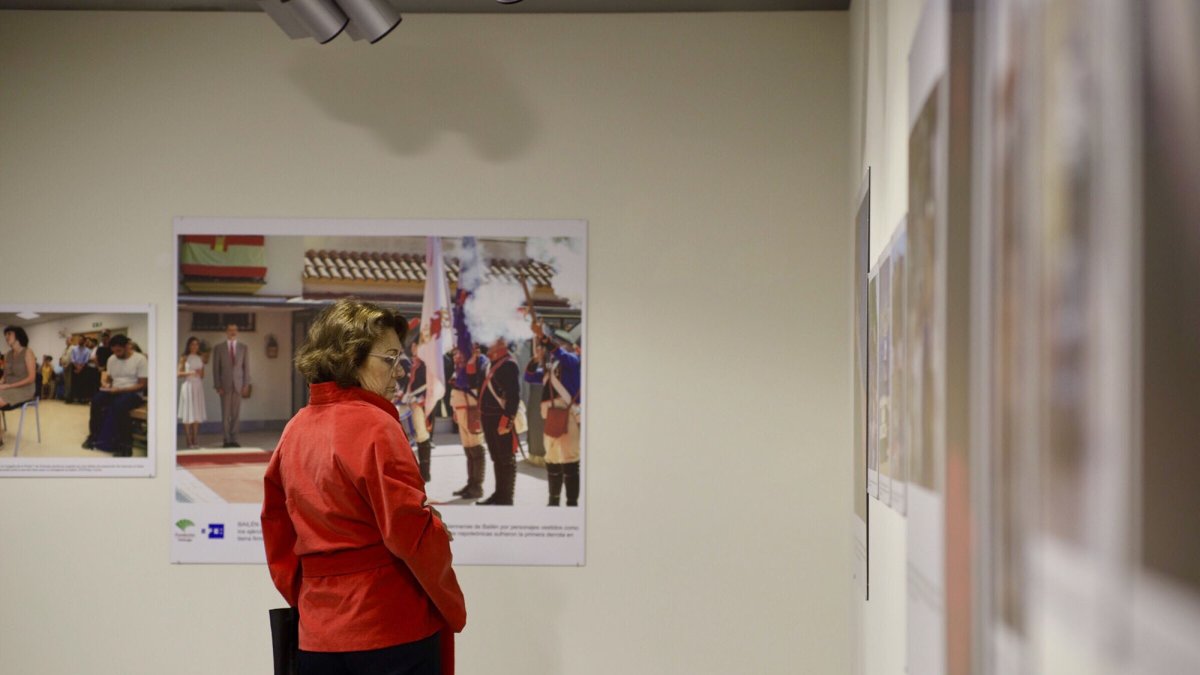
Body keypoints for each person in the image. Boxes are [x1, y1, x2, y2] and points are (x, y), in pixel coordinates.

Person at [261, 299, 465, 675]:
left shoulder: (295, 428)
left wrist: (310, 597)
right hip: (390, 624)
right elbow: (407, 532)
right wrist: (432, 525)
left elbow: (277, 533)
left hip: (318, 632)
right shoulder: (377, 425)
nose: (398, 373)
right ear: (349, 357)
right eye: (389, 360)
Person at [530, 321, 582, 507]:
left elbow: (560, 354)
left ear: (570, 346)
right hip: (551, 417)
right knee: (552, 459)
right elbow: (529, 377)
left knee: (570, 460)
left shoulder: (573, 361)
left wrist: (544, 338)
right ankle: (553, 500)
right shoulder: (551, 367)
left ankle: (572, 503)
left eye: (561, 343)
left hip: (568, 417)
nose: (558, 347)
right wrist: (536, 359)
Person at [81, 334, 148, 457]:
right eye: (114, 351)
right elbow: (110, 379)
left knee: (119, 406)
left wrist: (120, 390)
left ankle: (125, 445)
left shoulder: (140, 359)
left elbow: (142, 385)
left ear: (127, 346)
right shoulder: (112, 359)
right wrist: (106, 384)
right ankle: (94, 436)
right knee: (96, 401)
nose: (116, 354)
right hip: (115, 391)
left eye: (119, 351)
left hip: (133, 393)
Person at [477, 338, 521, 506]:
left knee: (506, 458)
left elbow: (514, 396)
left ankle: (506, 498)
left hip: (500, 418)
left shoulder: (509, 364)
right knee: (496, 457)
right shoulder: (488, 364)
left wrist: (507, 419)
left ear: (501, 344)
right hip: (487, 417)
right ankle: (498, 494)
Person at [448, 345, 488, 500]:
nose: (455, 353)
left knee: (476, 448)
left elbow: (479, 382)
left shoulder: (479, 359)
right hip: (461, 407)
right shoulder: (460, 362)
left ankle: (477, 487)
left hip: (472, 408)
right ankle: (471, 483)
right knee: (468, 448)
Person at [399, 338, 435, 482]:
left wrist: (416, 398)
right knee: (415, 438)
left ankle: (425, 474)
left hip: (420, 404)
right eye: (413, 346)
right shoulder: (416, 363)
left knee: (422, 436)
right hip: (412, 403)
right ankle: (419, 471)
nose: (413, 348)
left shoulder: (426, 365)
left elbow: (429, 386)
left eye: (415, 346)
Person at [212, 323, 250, 448]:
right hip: (225, 386)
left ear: (237, 331)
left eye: (235, 330)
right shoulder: (219, 348)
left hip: (238, 385)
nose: (233, 332)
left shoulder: (243, 347)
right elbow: (216, 369)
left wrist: (246, 384)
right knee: (225, 414)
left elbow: (246, 368)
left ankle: (234, 439)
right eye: (230, 330)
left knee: (236, 414)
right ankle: (226, 439)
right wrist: (218, 385)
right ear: (226, 332)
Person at [0, 326, 37, 449]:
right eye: (5, 334)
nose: (6, 337)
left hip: (25, 389)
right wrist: (1, 382)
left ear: (18, 335)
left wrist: (8, 385)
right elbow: (5, 376)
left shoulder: (28, 352)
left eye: (9, 334)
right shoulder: (7, 355)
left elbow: (31, 378)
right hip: (9, 387)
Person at [177, 336, 207, 449]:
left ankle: (195, 439)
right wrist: (190, 372)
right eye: (192, 344)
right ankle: (188, 440)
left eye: (196, 344)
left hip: (198, 386)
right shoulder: (184, 357)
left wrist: (200, 372)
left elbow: (203, 375)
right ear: (189, 345)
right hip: (188, 386)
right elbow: (178, 374)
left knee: (196, 413)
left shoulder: (201, 357)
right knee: (188, 412)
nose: (194, 346)